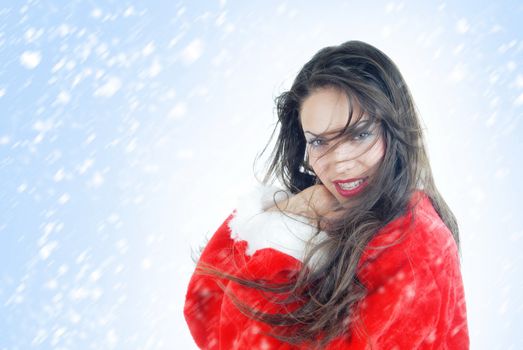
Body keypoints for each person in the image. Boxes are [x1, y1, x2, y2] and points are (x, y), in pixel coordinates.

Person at [183, 40, 469, 349]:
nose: (340, 162)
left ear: (394, 128)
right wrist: (287, 216)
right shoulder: (330, 217)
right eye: (319, 142)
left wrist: (281, 237)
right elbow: (204, 312)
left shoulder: (415, 241)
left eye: (359, 134)